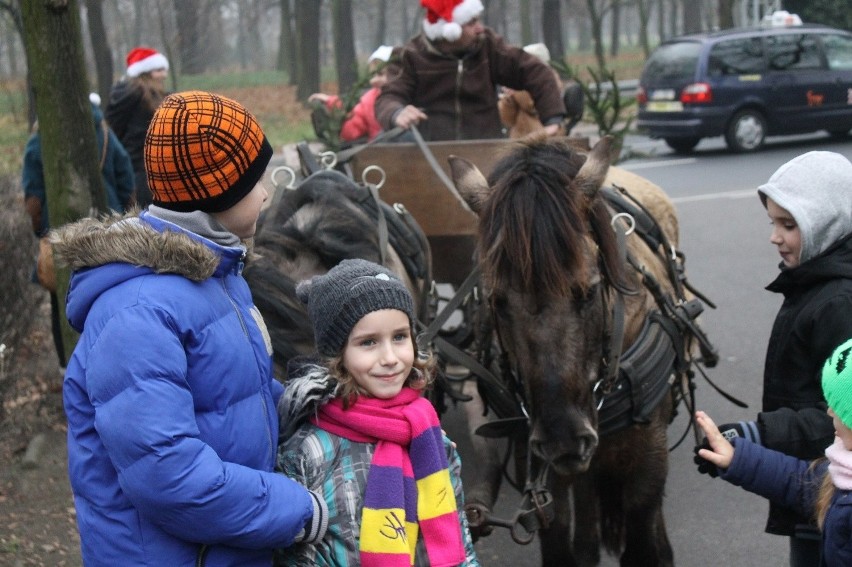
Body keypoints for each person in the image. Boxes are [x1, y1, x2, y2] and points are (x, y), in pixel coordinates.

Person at [51, 91, 327, 566]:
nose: (265, 194)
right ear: (213, 193)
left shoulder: (212, 275)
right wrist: (298, 511)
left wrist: (299, 401)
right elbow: (167, 475)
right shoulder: (137, 312)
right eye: (254, 180)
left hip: (220, 548)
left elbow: (226, 394)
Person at [694, 151, 852, 566]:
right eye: (772, 222)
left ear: (827, 222)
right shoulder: (815, 282)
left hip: (829, 499)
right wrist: (746, 452)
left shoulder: (838, 303)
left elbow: (839, 416)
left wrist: (758, 434)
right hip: (818, 489)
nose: (774, 237)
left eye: (789, 224)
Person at [274, 258, 480, 566]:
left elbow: (461, 542)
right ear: (337, 355)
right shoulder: (310, 452)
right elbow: (299, 556)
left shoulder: (430, 436)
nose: (390, 358)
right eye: (368, 342)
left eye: (400, 337)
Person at [695, 336, 852, 566]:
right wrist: (738, 458)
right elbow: (802, 483)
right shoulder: (844, 464)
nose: (828, 412)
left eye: (838, 407)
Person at [22, 95, 134, 370]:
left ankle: (68, 365)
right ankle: (112, 359)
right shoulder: (104, 133)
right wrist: (126, 216)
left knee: (63, 298)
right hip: (108, 230)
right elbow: (126, 179)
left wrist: (40, 230)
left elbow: (34, 199)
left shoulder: (40, 141)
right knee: (110, 292)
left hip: (62, 236)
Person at [374, 0, 566, 141]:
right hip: (430, 155)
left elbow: (536, 72)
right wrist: (397, 112)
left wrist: (552, 119)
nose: (480, 28)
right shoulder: (410, 55)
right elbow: (388, 97)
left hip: (485, 148)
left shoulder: (488, 46)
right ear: (450, 30)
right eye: (471, 22)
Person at [105, 46, 169, 207]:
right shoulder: (132, 94)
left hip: (154, 168)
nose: (164, 75)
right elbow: (113, 131)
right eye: (159, 70)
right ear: (145, 71)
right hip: (138, 170)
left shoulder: (158, 96)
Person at [308, 45, 398, 143]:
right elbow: (354, 125)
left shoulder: (410, 95)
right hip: (381, 152)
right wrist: (336, 114)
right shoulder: (368, 101)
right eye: (372, 75)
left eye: (381, 74)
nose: (373, 81)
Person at [498, 42, 565, 139]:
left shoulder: (550, 81)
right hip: (520, 138)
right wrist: (508, 99)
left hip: (543, 137)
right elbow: (507, 119)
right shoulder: (519, 82)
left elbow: (530, 105)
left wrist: (516, 92)